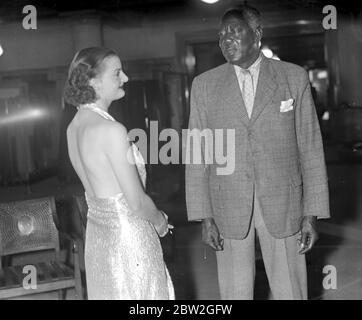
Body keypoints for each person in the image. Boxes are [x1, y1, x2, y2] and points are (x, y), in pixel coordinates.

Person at [185, 4, 330, 300]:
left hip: (285, 202)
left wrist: (312, 213)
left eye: (235, 32)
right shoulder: (204, 86)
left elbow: (311, 147)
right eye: (221, 35)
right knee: (235, 293)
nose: (226, 40)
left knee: (291, 290)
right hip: (227, 206)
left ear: (257, 35)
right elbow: (196, 155)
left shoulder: (293, 77)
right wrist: (204, 216)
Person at [64, 47, 174, 300]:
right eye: (117, 73)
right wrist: (160, 222)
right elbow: (136, 202)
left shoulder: (74, 127)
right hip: (129, 238)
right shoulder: (111, 130)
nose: (125, 78)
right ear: (93, 82)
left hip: (98, 236)